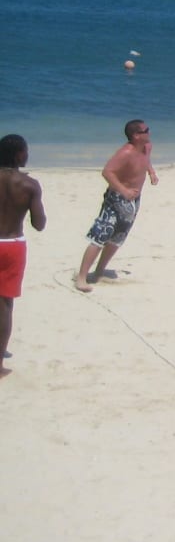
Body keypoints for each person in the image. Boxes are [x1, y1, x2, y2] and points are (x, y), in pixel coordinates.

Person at [74, 119, 158, 293]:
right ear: (136, 135)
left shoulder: (147, 147)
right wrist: (123, 190)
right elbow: (107, 172)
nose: (149, 132)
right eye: (146, 130)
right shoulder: (126, 152)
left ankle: (99, 271)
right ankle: (81, 277)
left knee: (118, 238)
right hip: (116, 198)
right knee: (100, 235)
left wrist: (151, 172)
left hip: (134, 200)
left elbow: (146, 160)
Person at [1, 134, 46, 380]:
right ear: (19, 155)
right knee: (5, 305)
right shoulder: (29, 185)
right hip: (12, 246)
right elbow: (39, 224)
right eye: (25, 151)